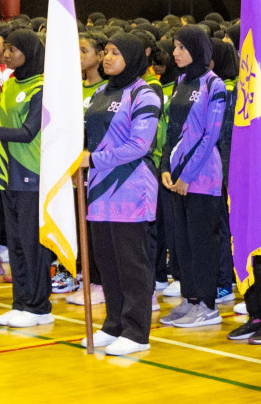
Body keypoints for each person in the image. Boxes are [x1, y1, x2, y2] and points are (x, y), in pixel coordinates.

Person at [81, 35, 163, 357]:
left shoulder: (145, 94)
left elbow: (139, 145)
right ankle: (113, 324)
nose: (107, 58)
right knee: (107, 261)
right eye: (106, 53)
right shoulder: (101, 92)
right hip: (99, 189)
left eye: (115, 53)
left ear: (131, 56)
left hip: (131, 187)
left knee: (132, 262)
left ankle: (136, 331)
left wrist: (93, 160)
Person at [158, 26, 228, 329]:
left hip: (203, 177)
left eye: (182, 47)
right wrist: (165, 167)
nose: (176, 53)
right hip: (176, 177)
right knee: (182, 242)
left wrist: (187, 175)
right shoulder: (180, 82)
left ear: (198, 49)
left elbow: (210, 135)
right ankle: (190, 299)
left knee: (202, 243)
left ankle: (209, 305)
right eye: (175, 47)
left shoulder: (216, 86)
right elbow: (171, 129)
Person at [0, 29, 53, 327]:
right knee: (15, 243)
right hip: (7, 172)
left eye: (14, 49)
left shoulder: (42, 87)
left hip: (32, 173)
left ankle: (39, 306)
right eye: (6, 49)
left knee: (32, 243)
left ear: (30, 52)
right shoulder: (11, 84)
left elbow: (28, 132)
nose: (7, 54)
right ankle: (21, 302)